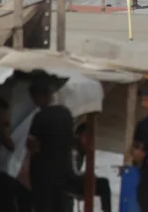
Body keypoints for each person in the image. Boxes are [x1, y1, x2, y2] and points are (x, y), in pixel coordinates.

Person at [27, 83, 76, 212]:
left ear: (39, 96)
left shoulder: (40, 116)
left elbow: (32, 144)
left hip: (44, 174)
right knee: (61, 205)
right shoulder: (66, 113)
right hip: (65, 170)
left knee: (44, 206)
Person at [72, 124, 114, 212]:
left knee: (103, 183)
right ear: (78, 136)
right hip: (70, 182)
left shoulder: (81, 151)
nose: (87, 141)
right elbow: (73, 173)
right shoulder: (74, 151)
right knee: (103, 183)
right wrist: (88, 175)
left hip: (74, 181)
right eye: (85, 137)